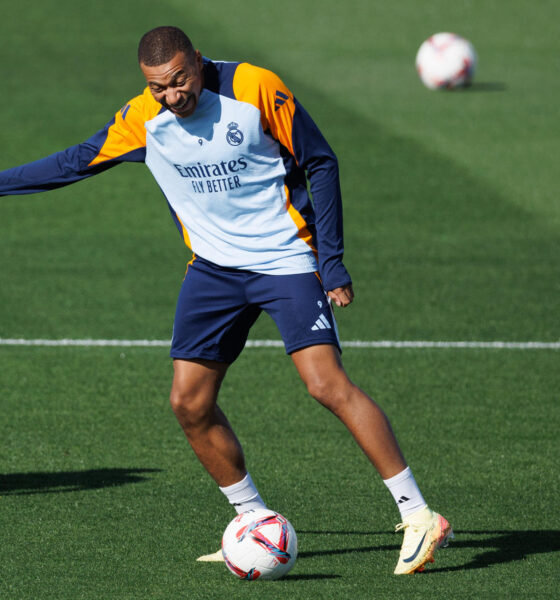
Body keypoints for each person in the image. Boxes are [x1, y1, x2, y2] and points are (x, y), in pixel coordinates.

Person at [0, 26, 452, 574]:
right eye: (158, 87)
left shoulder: (254, 88)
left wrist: (330, 260)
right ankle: (253, 519)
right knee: (188, 402)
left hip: (286, 259)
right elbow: (72, 163)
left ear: (196, 60)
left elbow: (321, 160)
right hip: (213, 271)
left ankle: (419, 513)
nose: (172, 96)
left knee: (325, 384)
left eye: (178, 81)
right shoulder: (142, 120)